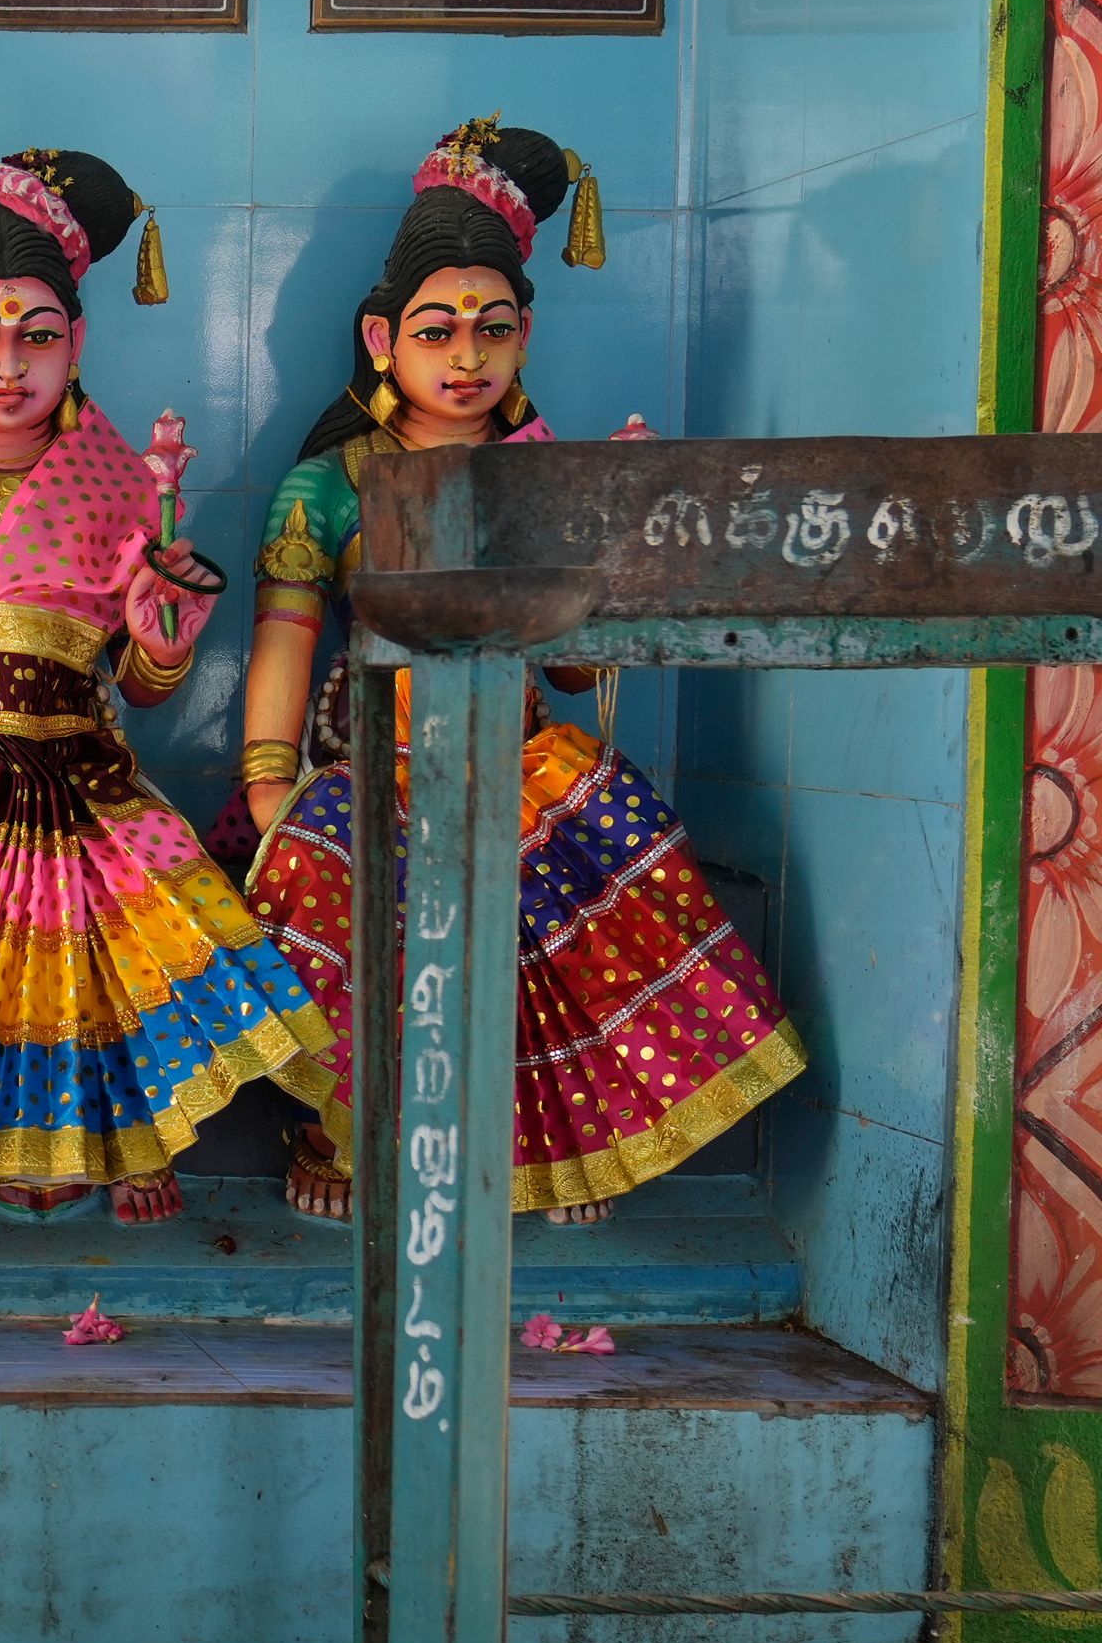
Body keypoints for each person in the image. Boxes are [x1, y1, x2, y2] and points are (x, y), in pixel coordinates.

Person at [235, 118, 803, 1222]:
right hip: (369, 765)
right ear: (381, 337)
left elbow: (580, 675)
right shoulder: (328, 484)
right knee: (320, 891)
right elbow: (286, 643)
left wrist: (616, 555)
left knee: (591, 875)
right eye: (438, 329)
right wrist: (267, 783)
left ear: (525, 339)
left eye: (493, 330)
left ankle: (554, 1149)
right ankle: (342, 1133)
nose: (466, 356)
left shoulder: (544, 478)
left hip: (517, 751)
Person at [0, 148, 323, 1227]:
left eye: (39, 336)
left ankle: (124, 1136)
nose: (10, 364)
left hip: (84, 761)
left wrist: (163, 640)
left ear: (77, 345)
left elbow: (143, 681)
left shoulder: (122, 483)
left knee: (138, 928)